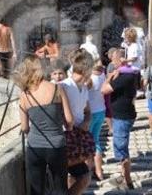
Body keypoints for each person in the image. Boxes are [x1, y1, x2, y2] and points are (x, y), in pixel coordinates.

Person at [16, 57, 74, 195]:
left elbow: (24, 128)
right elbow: (69, 119)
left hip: (35, 147)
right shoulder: (57, 88)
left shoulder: (24, 95)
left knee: (37, 189)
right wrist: (68, 127)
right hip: (56, 145)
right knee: (60, 188)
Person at [101, 47, 139, 190]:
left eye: (114, 59)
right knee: (122, 147)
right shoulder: (131, 73)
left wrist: (109, 77)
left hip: (122, 116)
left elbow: (103, 90)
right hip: (125, 113)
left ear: (121, 60)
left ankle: (126, 179)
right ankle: (125, 178)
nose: (112, 62)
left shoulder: (124, 77)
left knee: (120, 149)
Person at [59, 50, 94, 195]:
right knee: (81, 176)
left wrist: (86, 121)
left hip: (78, 137)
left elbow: (87, 111)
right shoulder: (64, 86)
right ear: (87, 70)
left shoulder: (84, 88)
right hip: (65, 136)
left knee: (83, 176)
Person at [88, 61, 108, 181]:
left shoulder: (89, 78)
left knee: (87, 142)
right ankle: (99, 171)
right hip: (101, 110)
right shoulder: (102, 75)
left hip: (91, 112)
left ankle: (90, 170)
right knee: (96, 141)